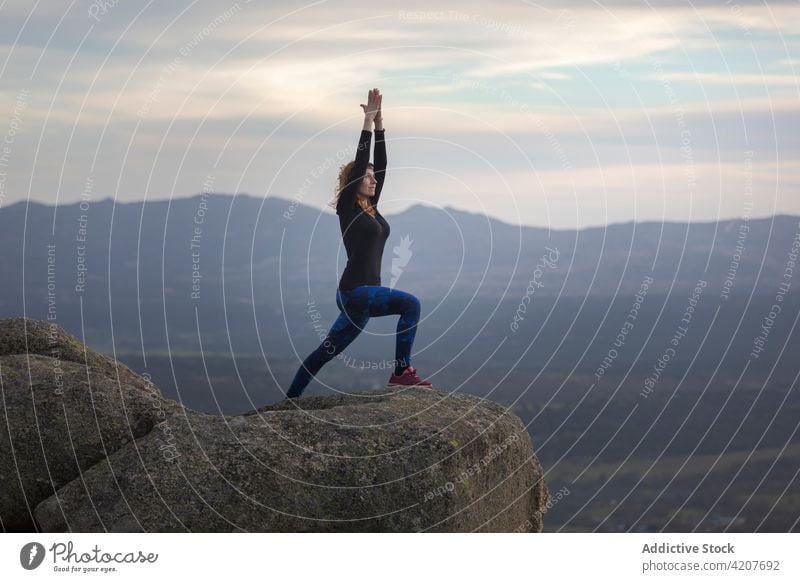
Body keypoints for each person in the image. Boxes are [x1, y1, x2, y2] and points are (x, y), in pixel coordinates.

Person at [286, 88, 433, 399]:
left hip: (361, 300)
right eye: (367, 177)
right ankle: (401, 372)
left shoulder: (371, 208)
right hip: (356, 292)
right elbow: (365, 160)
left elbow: (380, 165)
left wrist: (381, 125)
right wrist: (365, 123)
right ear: (354, 182)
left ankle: (290, 399)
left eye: (373, 177)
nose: (374, 179)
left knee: (325, 352)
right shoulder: (347, 208)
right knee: (412, 304)